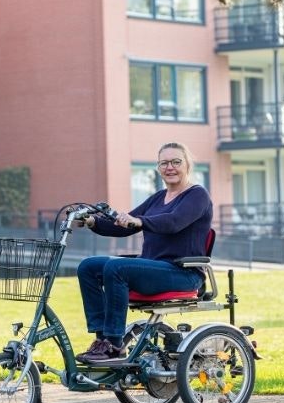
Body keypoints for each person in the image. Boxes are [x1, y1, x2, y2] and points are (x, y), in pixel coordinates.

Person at [75, 142, 213, 362]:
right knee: (88, 267)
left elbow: (174, 222)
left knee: (116, 267)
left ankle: (115, 343)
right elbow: (122, 225)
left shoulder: (197, 195)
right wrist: (92, 221)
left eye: (176, 162)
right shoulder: (158, 198)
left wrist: (140, 221)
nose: (170, 167)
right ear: (158, 168)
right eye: (164, 163)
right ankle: (103, 340)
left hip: (182, 273)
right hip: (154, 269)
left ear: (187, 165)